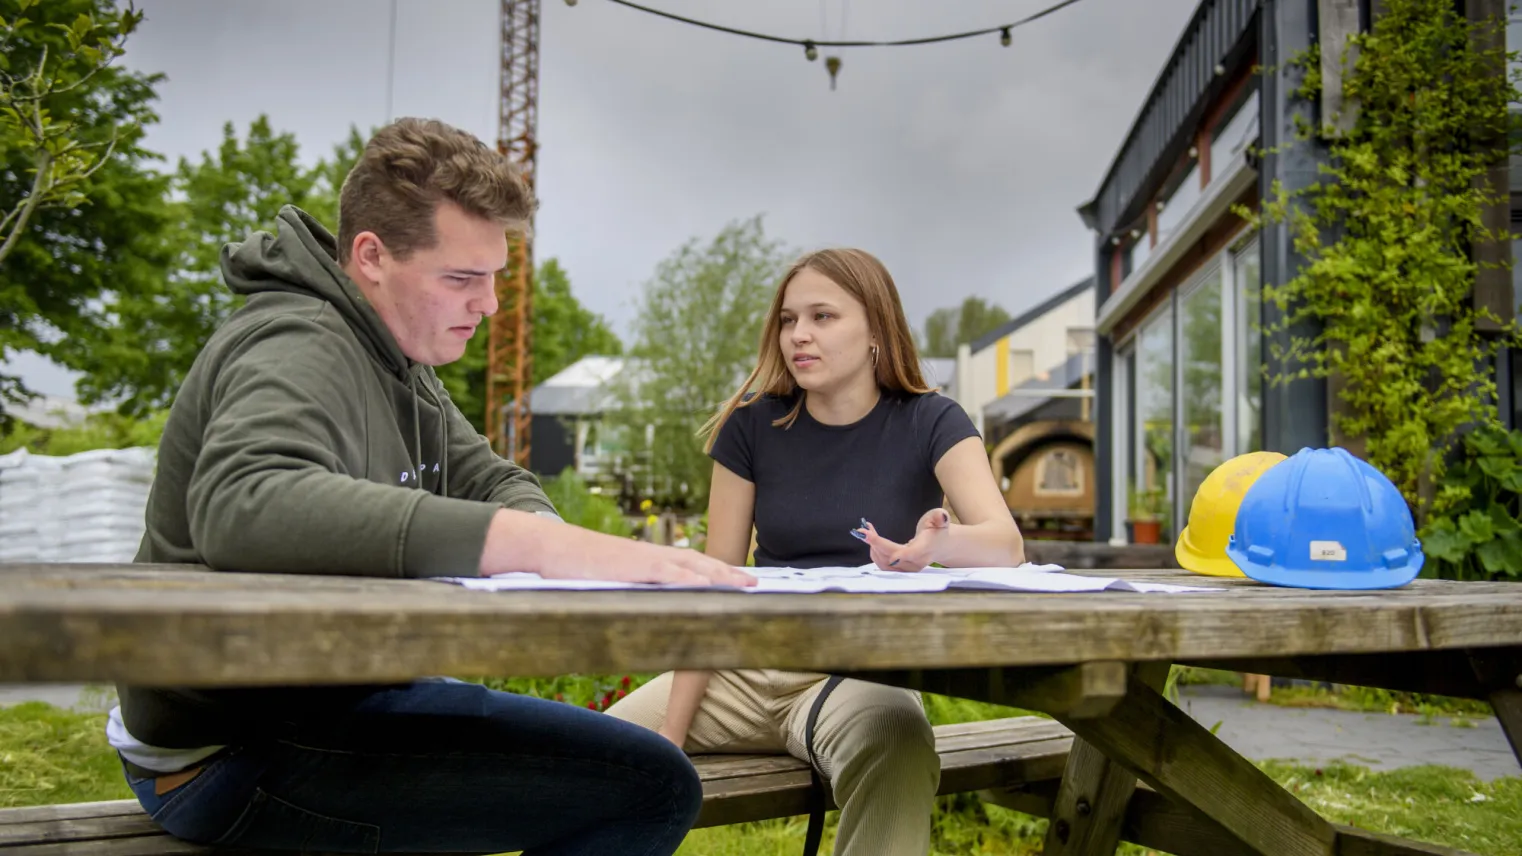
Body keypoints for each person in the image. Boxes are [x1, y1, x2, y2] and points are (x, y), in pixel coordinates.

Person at [106, 117, 754, 855]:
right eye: (462, 279)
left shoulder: (399, 356)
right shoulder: (297, 339)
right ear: (373, 256)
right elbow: (244, 501)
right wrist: (529, 546)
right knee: (653, 786)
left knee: (642, 769)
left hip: (333, 702)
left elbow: (490, 477)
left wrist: (552, 540)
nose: (491, 306)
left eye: (494, 278)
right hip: (227, 749)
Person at [605, 248, 1026, 856]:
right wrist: (671, 734)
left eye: (823, 317)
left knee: (897, 742)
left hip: (855, 678)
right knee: (591, 757)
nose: (797, 335)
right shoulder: (751, 427)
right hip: (741, 672)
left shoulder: (932, 421)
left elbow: (1005, 544)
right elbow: (711, 586)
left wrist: (934, 546)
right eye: (787, 319)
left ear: (877, 330)